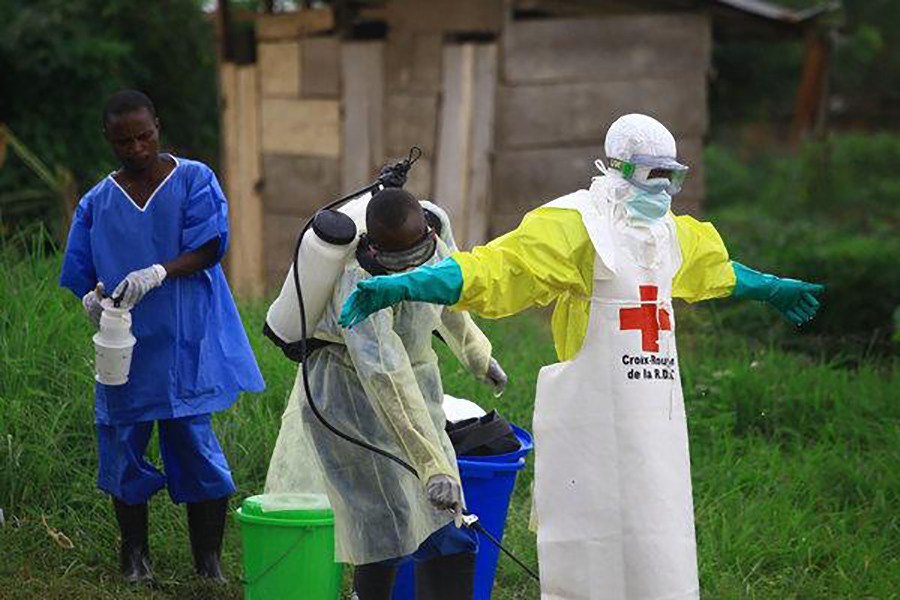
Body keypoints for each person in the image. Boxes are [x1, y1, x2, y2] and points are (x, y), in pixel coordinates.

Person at [340, 114, 825, 599]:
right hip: (590, 428)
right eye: (651, 175)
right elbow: (496, 270)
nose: (662, 189)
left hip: (656, 432)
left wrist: (772, 287)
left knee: (660, 539)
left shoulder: (669, 236)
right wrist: (406, 283)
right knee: (593, 549)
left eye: (672, 176)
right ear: (617, 168)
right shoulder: (577, 226)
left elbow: (714, 271)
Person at [59, 90, 264, 583]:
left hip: (183, 338)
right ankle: (134, 558)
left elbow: (210, 245)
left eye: (144, 136)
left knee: (194, 444)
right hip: (124, 345)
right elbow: (82, 268)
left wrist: (158, 272)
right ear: (107, 138)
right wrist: (92, 296)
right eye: (124, 140)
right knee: (122, 445)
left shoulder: (194, 179)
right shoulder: (97, 202)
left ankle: (208, 563)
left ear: (158, 126)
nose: (136, 148)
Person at [294, 187, 506, 600]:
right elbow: (384, 375)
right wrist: (432, 465)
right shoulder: (359, 282)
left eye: (418, 252)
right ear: (374, 247)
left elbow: (445, 296)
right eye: (398, 259)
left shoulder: (431, 239)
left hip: (416, 388)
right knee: (383, 522)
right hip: (351, 402)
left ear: (427, 232)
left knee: (447, 518)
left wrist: (479, 356)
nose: (410, 266)